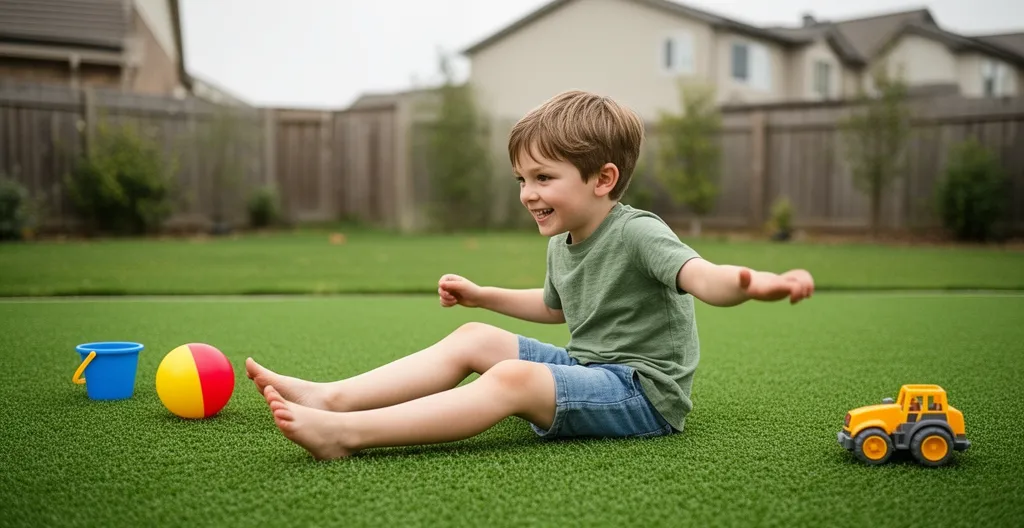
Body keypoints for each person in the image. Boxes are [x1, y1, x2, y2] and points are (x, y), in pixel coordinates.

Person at [246, 90, 815, 460]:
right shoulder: (565, 239)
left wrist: (750, 284)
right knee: (475, 339)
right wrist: (480, 297)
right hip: (591, 368)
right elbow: (555, 308)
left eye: (543, 177)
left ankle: (346, 436)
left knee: (512, 380)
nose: (528, 194)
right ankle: (334, 398)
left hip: (641, 394)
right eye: (521, 179)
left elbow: (705, 278)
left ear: (602, 178)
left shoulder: (639, 232)